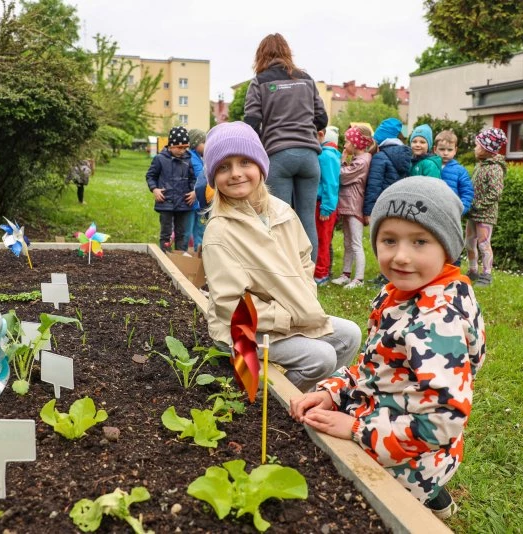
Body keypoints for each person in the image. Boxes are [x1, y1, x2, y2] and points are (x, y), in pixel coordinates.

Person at [289, 176, 486, 520]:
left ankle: (421, 496)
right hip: (389, 427)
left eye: (420, 241)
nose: (401, 256)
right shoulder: (397, 294)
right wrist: (333, 392)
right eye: (389, 240)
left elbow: (442, 420)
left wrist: (355, 430)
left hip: (404, 452)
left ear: (448, 247)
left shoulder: (437, 322)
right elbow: (375, 368)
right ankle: (434, 494)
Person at [201, 121, 362, 392]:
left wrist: (306, 298)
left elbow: (304, 260)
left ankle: (314, 397)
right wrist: (285, 318)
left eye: (244, 162)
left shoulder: (281, 211)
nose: (236, 173)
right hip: (245, 329)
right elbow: (230, 305)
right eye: (223, 167)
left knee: (350, 335)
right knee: (321, 357)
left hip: (290, 314)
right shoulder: (220, 231)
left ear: (261, 166)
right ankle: (279, 403)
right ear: (213, 177)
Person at [244, 33, 328, 263]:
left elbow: (251, 123)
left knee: (278, 218)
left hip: (278, 155)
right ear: (287, 52)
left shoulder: (259, 81)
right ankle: (307, 273)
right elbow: (322, 118)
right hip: (309, 157)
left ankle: (282, 271)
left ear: (261, 55)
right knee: (306, 218)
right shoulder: (307, 80)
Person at [363, 118, 413, 286]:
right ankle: (389, 275)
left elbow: (374, 186)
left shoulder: (381, 157)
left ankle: (386, 277)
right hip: (399, 206)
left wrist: (368, 211)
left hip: (383, 206)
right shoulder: (404, 155)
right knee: (396, 241)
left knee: (385, 242)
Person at [331, 126, 373, 289]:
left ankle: (359, 278)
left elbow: (342, 176)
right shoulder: (360, 159)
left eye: (348, 140)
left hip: (355, 206)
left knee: (356, 243)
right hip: (348, 205)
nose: (345, 144)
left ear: (356, 143)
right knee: (348, 242)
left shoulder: (362, 162)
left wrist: (343, 158)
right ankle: (346, 274)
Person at [466, 128, 507, 287]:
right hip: (473, 212)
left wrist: (479, 206)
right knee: (469, 243)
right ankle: (472, 271)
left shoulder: (495, 168)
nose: (475, 148)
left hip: (485, 214)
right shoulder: (480, 165)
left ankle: (487, 275)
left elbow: (496, 192)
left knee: (483, 244)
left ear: (486, 148)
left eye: (477, 145)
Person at [145, 126, 196, 252]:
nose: (182, 151)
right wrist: (155, 189)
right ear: (171, 145)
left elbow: (193, 178)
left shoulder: (188, 159)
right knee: (166, 234)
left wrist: (195, 192)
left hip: (184, 203)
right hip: (165, 202)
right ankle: (165, 258)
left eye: (185, 147)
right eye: (179, 147)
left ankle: (180, 259)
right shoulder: (159, 159)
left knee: (182, 234)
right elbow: (151, 176)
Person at [314, 126, 341, 286]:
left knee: (322, 239)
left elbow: (330, 183)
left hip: (323, 204)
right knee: (322, 239)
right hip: (323, 203)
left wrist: (326, 207)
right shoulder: (329, 154)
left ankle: (321, 274)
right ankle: (321, 271)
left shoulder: (326, 156)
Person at [435, 130, 474, 216]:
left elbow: (467, 192)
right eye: (442, 149)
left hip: (451, 213)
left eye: (449, 150)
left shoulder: (460, 171)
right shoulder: (430, 166)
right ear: (435, 149)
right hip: (432, 211)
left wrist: (461, 210)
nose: (445, 153)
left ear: (455, 150)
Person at [186, 128, 207, 252]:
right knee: (196, 231)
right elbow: (201, 177)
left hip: (198, 203)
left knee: (199, 230)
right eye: (203, 142)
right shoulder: (193, 158)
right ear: (195, 143)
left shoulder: (198, 157)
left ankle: (196, 253)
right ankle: (196, 254)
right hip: (194, 202)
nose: (206, 145)